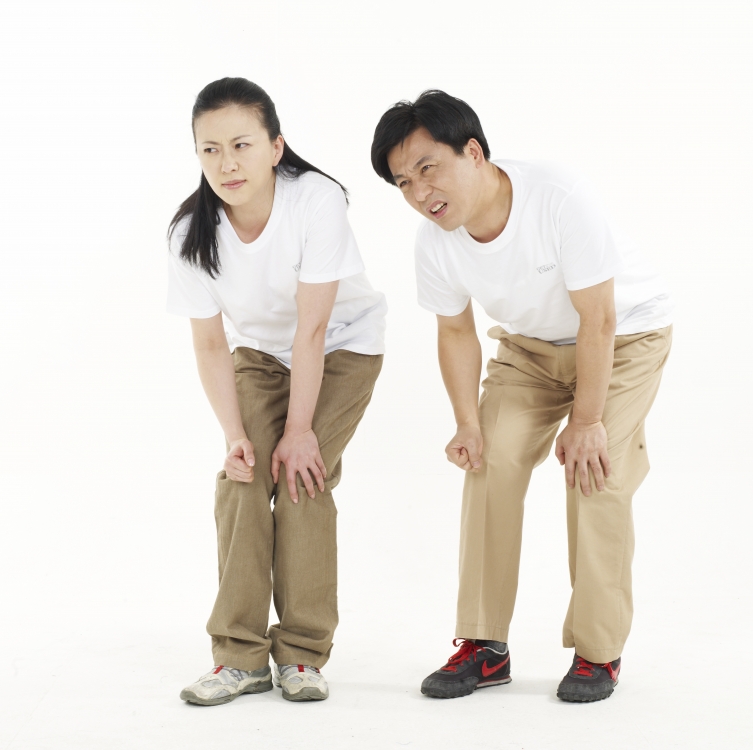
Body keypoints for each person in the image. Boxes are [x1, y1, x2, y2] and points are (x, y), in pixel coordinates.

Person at [370, 90, 673, 703]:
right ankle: (484, 647)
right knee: (490, 461)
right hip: (530, 350)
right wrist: (467, 423)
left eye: (428, 168)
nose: (420, 192)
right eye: (403, 183)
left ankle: (598, 651)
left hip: (623, 336)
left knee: (596, 473)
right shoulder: (435, 243)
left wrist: (586, 420)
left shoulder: (558, 197)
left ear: (473, 152)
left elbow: (599, 319)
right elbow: (456, 332)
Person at [169, 77, 387, 706]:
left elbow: (313, 328)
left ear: (275, 146)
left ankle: (301, 653)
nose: (226, 164)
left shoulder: (315, 200)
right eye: (210, 150)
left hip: (342, 346)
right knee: (242, 477)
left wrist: (297, 432)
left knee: (300, 475)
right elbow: (211, 346)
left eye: (241, 145)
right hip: (260, 357)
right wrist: (236, 436)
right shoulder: (190, 233)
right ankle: (239, 657)